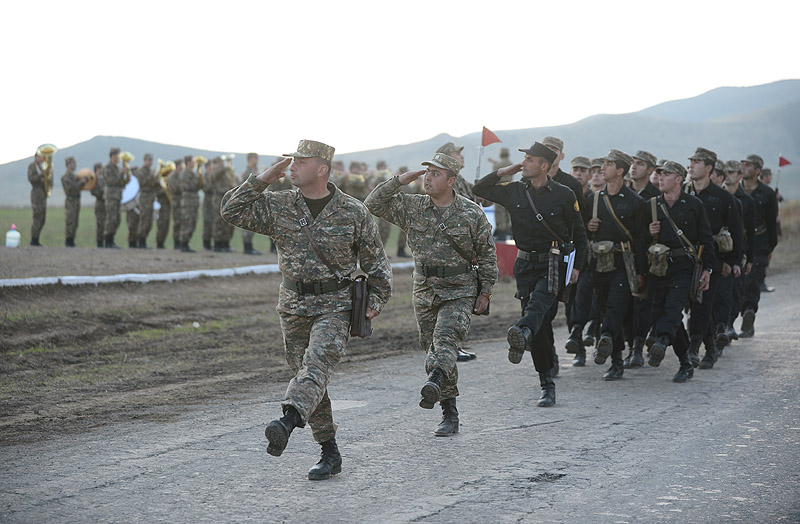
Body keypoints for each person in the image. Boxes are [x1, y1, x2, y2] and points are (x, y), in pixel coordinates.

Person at [220, 139, 392, 481]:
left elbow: (377, 264)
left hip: (336, 306)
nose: (292, 166)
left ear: (322, 169)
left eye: (301, 161)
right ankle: (330, 451)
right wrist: (263, 179)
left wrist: (375, 301)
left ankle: (287, 421)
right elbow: (231, 211)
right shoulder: (279, 204)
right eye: (291, 160)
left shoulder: (353, 211)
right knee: (310, 377)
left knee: (315, 366)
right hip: (293, 306)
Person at [365, 152, 497, 436]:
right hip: (425, 289)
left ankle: (437, 384)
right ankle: (449, 410)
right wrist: (399, 181)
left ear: (451, 181)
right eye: (427, 172)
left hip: (460, 289)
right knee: (433, 347)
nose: (427, 178)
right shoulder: (412, 206)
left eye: (436, 174)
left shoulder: (471, 212)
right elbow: (373, 203)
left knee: (445, 340)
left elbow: (487, 254)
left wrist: (485, 291)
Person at [473, 142, 587, 407]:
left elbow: (579, 234)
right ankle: (546, 382)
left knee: (538, 305)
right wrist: (504, 171)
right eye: (523, 158)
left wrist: (577, 267)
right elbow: (479, 190)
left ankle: (522, 331)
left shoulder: (564, 194)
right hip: (525, 266)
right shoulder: (515, 190)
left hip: (553, 264)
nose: (524, 163)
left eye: (529, 159)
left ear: (544, 166)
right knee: (541, 325)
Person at [645, 160, 714, 383]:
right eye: (659, 174)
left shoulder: (694, 205)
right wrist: (649, 232)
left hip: (684, 265)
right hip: (658, 266)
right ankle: (685, 362)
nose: (660, 178)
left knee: (673, 307)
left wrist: (708, 270)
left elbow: (706, 240)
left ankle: (662, 340)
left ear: (678, 179)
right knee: (662, 313)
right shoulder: (652, 205)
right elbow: (639, 241)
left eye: (666, 174)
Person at [585, 150, 648, 380]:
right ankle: (616, 360)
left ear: (620, 171)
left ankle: (606, 337)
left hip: (623, 263)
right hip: (599, 263)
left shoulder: (635, 202)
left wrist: (641, 272)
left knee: (616, 306)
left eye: (609, 164)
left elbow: (641, 240)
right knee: (604, 307)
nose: (603, 168)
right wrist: (588, 227)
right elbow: (581, 233)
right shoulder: (593, 200)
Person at [684, 148, 743, 368]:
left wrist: (732, 261)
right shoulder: (683, 193)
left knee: (703, 302)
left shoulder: (723, 198)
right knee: (696, 304)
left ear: (709, 168)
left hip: (714, 258)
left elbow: (736, 232)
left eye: (697, 162)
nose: (691, 166)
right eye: (691, 161)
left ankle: (692, 348)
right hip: (687, 258)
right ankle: (710, 349)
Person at [623, 150, 661, 367]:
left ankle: (638, 347)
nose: (634, 167)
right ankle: (630, 346)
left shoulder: (656, 197)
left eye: (640, 164)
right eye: (633, 163)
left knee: (644, 304)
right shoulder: (623, 193)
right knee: (625, 306)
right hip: (624, 257)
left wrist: (650, 232)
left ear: (650, 170)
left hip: (647, 258)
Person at [739, 154, 779, 337]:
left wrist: (770, 247)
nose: (744, 168)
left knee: (753, 280)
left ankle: (749, 313)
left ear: (757, 170)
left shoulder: (767, 193)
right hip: (738, 243)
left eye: (748, 165)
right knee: (737, 282)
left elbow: (772, 223)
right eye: (743, 164)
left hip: (760, 242)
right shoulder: (733, 190)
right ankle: (727, 324)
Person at [723, 160, 755, 342]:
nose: (728, 176)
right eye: (726, 172)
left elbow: (750, 231)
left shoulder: (747, 201)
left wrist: (750, 258)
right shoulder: (718, 196)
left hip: (738, 251)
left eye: (732, 172)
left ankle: (729, 324)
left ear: (739, 176)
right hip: (720, 249)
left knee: (735, 289)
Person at [239, 153, 263, 254]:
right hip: (247, 200)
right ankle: (247, 247)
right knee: (247, 223)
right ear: (249, 159)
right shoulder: (247, 172)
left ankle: (249, 246)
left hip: (254, 199)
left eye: (257, 158)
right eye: (255, 158)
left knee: (253, 223)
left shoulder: (254, 170)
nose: (257, 160)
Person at [210, 157, 235, 252]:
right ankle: (217, 244)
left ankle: (225, 243)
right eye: (220, 162)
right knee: (218, 221)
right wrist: (223, 167)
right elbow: (213, 177)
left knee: (226, 221)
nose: (222, 163)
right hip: (218, 198)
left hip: (226, 197)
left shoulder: (225, 172)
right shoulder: (215, 172)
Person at [102, 147, 126, 248]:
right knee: (111, 218)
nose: (119, 157)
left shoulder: (117, 168)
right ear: (112, 156)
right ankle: (108, 241)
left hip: (117, 196)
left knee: (117, 219)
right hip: (111, 196)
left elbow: (121, 182)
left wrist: (126, 176)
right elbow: (111, 181)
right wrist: (121, 174)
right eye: (117, 155)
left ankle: (111, 240)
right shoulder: (107, 168)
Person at [61, 156, 86, 247]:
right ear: (68, 165)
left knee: (75, 221)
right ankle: (68, 241)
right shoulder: (65, 177)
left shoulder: (76, 176)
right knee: (70, 221)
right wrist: (81, 182)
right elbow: (70, 188)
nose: (75, 165)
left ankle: (72, 240)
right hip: (70, 201)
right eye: (73, 163)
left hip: (76, 200)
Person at [489, 148, 514, 240]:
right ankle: (509, 230)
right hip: (510, 189)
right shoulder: (511, 164)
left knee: (500, 211)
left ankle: (501, 231)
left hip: (499, 189)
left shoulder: (498, 165)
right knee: (509, 211)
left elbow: (494, 175)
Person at [178, 155, 201, 252]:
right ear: (188, 163)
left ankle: (186, 242)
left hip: (193, 200)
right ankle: (183, 243)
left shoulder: (192, 173)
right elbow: (189, 186)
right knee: (187, 222)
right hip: (188, 200)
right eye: (192, 161)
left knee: (193, 222)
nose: (194, 163)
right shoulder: (185, 174)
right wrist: (197, 178)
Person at [135, 153, 157, 248]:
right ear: (145, 161)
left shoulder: (149, 171)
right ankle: (141, 241)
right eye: (149, 160)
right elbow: (142, 183)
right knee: (144, 219)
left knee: (149, 220)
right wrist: (151, 176)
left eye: (151, 160)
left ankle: (144, 240)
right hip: (144, 197)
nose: (150, 162)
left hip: (151, 197)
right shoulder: (141, 171)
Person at [27, 149, 49, 246]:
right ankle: (34, 240)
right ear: (36, 157)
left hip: (43, 194)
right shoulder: (32, 166)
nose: (43, 158)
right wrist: (42, 174)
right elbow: (31, 178)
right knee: (37, 216)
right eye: (41, 156)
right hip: (36, 194)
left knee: (42, 217)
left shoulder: (43, 166)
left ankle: (37, 238)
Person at [168, 158, 184, 250]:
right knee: (177, 222)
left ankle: (180, 240)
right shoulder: (172, 176)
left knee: (182, 221)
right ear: (178, 166)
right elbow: (175, 188)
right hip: (176, 201)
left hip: (181, 201)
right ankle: (176, 241)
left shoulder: (181, 175)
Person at [155, 163, 171, 249]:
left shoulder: (166, 181)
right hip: (161, 205)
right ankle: (159, 242)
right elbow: (157, 192)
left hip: (167, 205)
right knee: (161, 224)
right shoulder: (158, 182)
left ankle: (162, 242)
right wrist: (165, 190)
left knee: (166, 224)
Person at [90, 162, 106, 248]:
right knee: (100, 224)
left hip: (106, 203)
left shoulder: (104, 179)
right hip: (100, 203)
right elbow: (94, 192)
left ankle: (105, 241)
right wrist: (103, 193)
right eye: (99, 169)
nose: (101, 170)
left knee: (106, 223)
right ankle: (99, 242)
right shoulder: (94, 180)